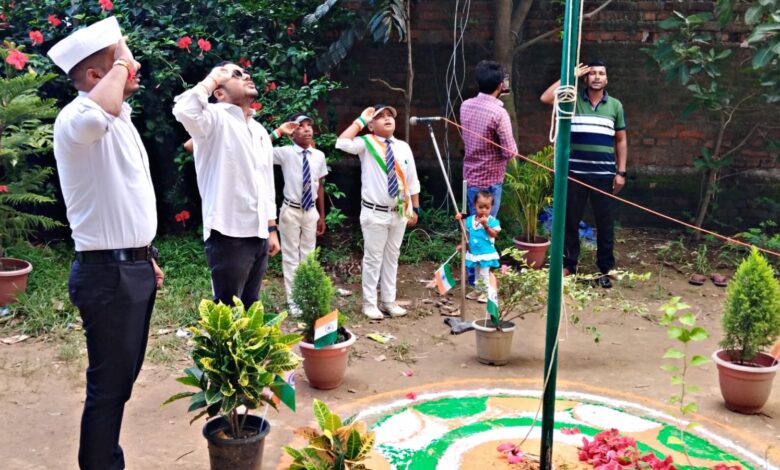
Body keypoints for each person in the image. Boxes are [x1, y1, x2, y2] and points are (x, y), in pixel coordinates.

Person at [48, 17, 164, 469]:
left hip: (131, 268)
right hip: (107, 274)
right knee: (109, 388)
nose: (135, 67)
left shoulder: (121, 120)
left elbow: (124, 199)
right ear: (98, 75)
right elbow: (95, 114)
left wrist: (144, 255)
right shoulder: (76, 117)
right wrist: (119, 61)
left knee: (120, 383)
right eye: (124, 62)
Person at [172, 62, 295, 306]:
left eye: (246, 73)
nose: (246, 76)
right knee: (227, 312)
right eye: (236, 75)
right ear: (219, 92)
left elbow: (265, 183)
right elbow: (184, 110)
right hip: (228, 233)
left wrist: (271, 229)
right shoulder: (213, 118)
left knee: (251, 310)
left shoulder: (259, 130)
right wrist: (214, 77)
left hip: (259, 233)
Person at [540, 60, 628, 288]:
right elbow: (546, 98)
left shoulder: (615, 106)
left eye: (601, 73)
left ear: (606, 79)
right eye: (593, 73)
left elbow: (621, 140)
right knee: (570, 221)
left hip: (604, 174)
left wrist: (621, 172)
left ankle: (606, 268)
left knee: (605, 224)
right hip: (574, 174)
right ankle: (569, 265)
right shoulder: (572, 100)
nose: (597, 77)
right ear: (586, 78)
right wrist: (570, 76)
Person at [335, 105, 420, 320]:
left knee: (392, 257)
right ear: (372, 125)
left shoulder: (403, 147)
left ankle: (389, 301)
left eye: (390, 115)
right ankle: (370, 303)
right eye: (380, 117)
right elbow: (342, 143)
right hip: (375, 212)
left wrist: (415, 207)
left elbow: (412, 180)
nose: (387, 119)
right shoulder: (366, 143)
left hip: (399, 211)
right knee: (373, 258)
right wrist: (361, 121)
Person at [460, 60, 518, 292]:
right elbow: (510, 151)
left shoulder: (465, 105)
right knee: (485, 233)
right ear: (501, 85)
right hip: (490, 182)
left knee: (472, 229)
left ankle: (472, 279)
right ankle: (482, 284)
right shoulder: (499, 113)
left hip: (470, 177)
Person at [273, 113, 328, 312]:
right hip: (291, 210)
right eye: (300, 126)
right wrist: (278, 131)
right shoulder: (285, 153)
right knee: (290, 255)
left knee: (309, 255)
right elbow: (257, 150)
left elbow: (320, 186)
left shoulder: (318, 155)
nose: (306, 129)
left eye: (308, 125)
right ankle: (294, 301)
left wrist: (322, 215)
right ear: (291, 133)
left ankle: (307, 298)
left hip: (310, 210)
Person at [455, 191, 502, 302]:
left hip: (486, 253)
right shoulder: (469, 220)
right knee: (477, 272)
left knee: (484, 273)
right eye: (480, 207)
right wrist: (463, 245)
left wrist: (486, 226)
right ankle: (478, 290)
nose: (484, 210)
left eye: (487, 207)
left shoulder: (492, 221)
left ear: (491, 207)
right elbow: (467, 235)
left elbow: (494, 234)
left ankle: (486, 292)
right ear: (475, 205)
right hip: (475, 253)